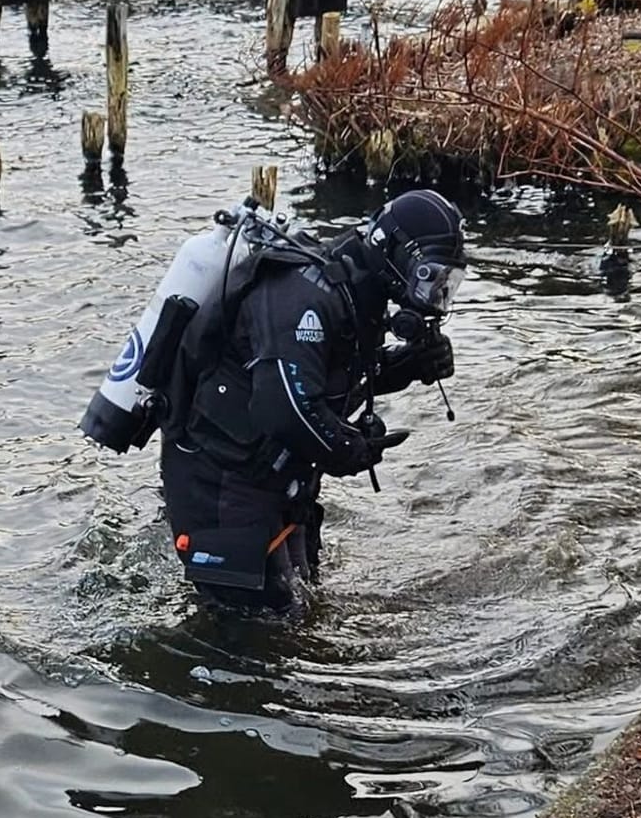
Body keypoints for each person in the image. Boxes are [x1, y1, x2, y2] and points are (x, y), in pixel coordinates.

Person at [159, 189, 466, 614]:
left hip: (276, 481)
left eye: (444, 285)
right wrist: (350, 449)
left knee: (303, 612)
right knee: (252, 635)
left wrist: (410, 365)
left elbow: (332, 380)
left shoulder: (361, 292)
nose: (432, 295)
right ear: (392, 251)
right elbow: (283, 407)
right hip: (220, 485)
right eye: (429, 277)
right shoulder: (304, 297)